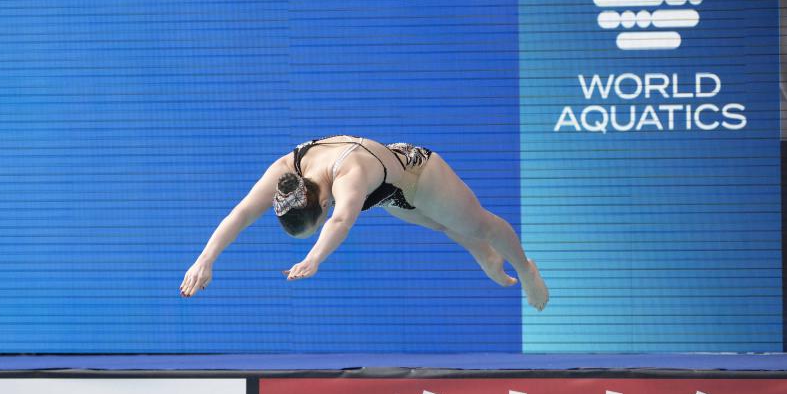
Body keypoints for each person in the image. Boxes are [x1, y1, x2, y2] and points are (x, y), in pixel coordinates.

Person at [179, 135, 549, 310]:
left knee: (478, 224)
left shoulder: (348, 177)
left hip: (418, 176)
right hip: (389, 193)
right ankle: (480, 252)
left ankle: (526, 269)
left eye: (318, 218)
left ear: (323, 200)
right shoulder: (284, 174)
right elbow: (242, 212)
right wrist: (206, 258)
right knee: (443, 226)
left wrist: (314, 258)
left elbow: (340, 220)